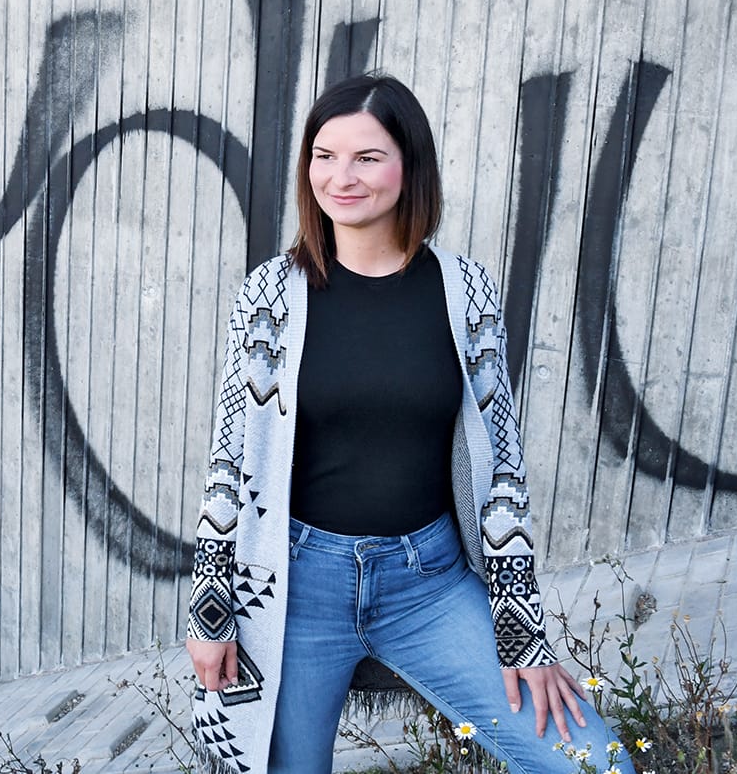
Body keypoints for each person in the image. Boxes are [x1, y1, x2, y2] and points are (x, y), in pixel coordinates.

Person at [183, 74, 635, 774]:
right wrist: (210, 609)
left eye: (367, 156)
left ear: (409, 165)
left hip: (426, 586)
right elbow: (229, 456)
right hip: (293, 589)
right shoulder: (272, 291)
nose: (342, 176)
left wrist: (522, 634)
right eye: (324, 155)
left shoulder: (465, 291)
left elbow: (501, 475)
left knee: (593, 764)